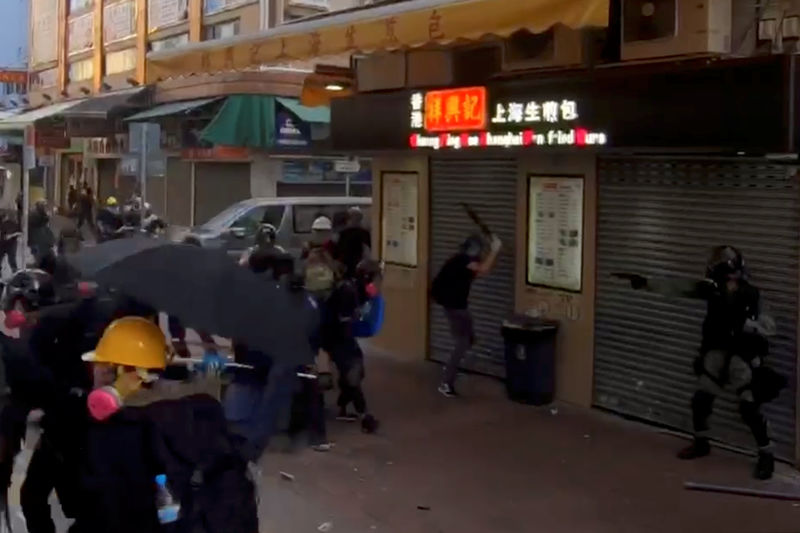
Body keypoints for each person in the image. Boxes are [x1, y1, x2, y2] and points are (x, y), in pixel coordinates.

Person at [78, 317, 258, 533]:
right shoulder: (204, 409)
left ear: (119, 371)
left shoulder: (120, 430)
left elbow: (110, 512)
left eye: (101, 365)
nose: (96, 372)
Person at [621, 246, 784, 480]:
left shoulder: (752, 295)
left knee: (748, 407)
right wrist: (645, 283)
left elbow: (770, 327)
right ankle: (701, 442)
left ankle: (766, 454)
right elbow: (680, 287)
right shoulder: (713, 290)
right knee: (701, 400)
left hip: (742, 357)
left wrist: (748, 326)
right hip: (717, 353)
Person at [431, 233, 502, 398]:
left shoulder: (459, 261)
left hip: (454, 306)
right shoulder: (463, 261)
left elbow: (482, 269)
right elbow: (484, 268)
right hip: (456, 308)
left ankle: (451, 366)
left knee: (467, 339)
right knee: (463, 342)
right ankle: (446, 382)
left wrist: (491, 253)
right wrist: (495, 250)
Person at [321, 261, 379, 433]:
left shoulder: (355, 287)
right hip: (337, 337)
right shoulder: (348, 291)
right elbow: (343, 320)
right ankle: (364, 415)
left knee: (355, 372)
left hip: (339, 336)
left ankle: (342, 406)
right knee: (353, 372)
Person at [336, 207, 371, 279]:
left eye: (358, 218)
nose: (356, 220)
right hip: (346, 266)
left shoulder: (364, 233)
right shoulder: (343, 234)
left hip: (359, 266)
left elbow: (367, 250)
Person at [28, 200, 55, 266]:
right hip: (35, 237)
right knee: (37, 251)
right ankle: (39, 263)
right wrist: (47, 217)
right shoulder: (35, 214)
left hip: (37, 237)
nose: (46, 208)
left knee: (38, 251)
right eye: (44, 206)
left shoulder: (39, 214)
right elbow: (38, 222)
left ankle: (39, 262)